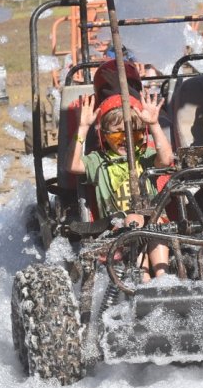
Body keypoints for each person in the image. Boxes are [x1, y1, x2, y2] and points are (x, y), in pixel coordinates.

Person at [67, 89, 174, 281]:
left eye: (135, 134)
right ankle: (143, 280)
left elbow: (166, 160)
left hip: (152, 224)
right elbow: (72, 165)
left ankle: (163, 278)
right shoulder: (98, 160)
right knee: (134, 221)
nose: (126, 139)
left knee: (155, 222)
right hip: (115, 229)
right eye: (117, 135)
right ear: (105, 136)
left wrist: (154, 124)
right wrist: (82, 128)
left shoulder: (145, 157)